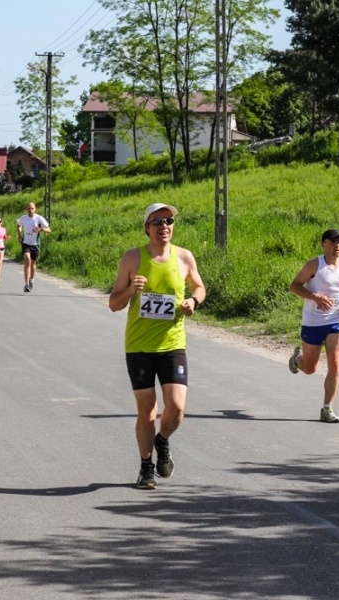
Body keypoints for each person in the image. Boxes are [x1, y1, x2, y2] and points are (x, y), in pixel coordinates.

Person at [109, 203, 206, 490]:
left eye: (169, 221)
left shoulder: (184, 256)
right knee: (147, 411)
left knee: (176, 408)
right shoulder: (132, 258)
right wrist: (131, 289)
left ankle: (162, 440)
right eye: (158, 222)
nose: (164, 226)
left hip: (172, 344)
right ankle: (146, 466)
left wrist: (193, 301)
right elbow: (114, 303)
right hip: (139, 346)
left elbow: (199, 287)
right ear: (147, 227)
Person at [288, 228, 339, 424]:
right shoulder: (314, 265)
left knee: (335, 362)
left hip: (337, 320)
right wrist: (315, 297)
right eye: (332, 241)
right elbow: (294, 286)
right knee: (310, 368)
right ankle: (298, 360)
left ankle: (327, 408)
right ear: (323, 244)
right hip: (313, 322)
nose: (337, 245)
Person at [17, 202, 51, 293]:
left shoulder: (39, 218)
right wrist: (19, 235)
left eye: (32, 208)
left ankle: (31, 280)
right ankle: (26, 284)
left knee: (33, 263)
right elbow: (19, 225)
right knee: (27, 260)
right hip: (26, 243)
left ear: (35, 209)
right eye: (29, 208)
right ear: (26, 209)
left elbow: (49, 229)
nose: (30, 210)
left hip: (35, 244)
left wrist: (41, 229)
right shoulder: (23, 218)